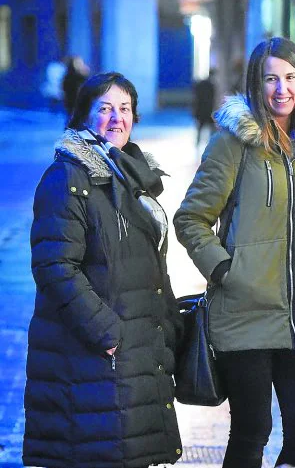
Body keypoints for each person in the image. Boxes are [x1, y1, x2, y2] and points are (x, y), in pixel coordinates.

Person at [174, 37, 295, 468]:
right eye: (271, 78)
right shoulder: (233, 144)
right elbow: (191, 218)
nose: (281, 89)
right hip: (244, 314)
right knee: (253, 431)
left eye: (290, 78)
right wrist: (227, 271)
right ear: (257, 84)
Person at [23, 72, 183, 468]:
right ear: (83, 116)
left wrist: (170, 326)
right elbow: (54, 265)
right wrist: (107, 333)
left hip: (134, 354)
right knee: (102, 452)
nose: (117, 118)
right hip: (96, 356)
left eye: (125, 109)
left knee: (132, 453)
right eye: (105, 108)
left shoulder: (130, 175)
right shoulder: (68, 178)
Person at [192, 68, 217, 146]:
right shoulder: (211, 86)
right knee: (211, 128)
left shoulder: (201, 84)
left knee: (200, 127)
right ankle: (212, 143)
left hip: (200, 110)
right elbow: (213, 99)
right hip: (208, 110)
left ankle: (198, 143)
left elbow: (195, 98)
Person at [62, 55, 90, 120]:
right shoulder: (70, 75)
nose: (80, 64)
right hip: (72, 100)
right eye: (78, 62)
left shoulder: (81, 74)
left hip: (79, 100)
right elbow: (64, 88)